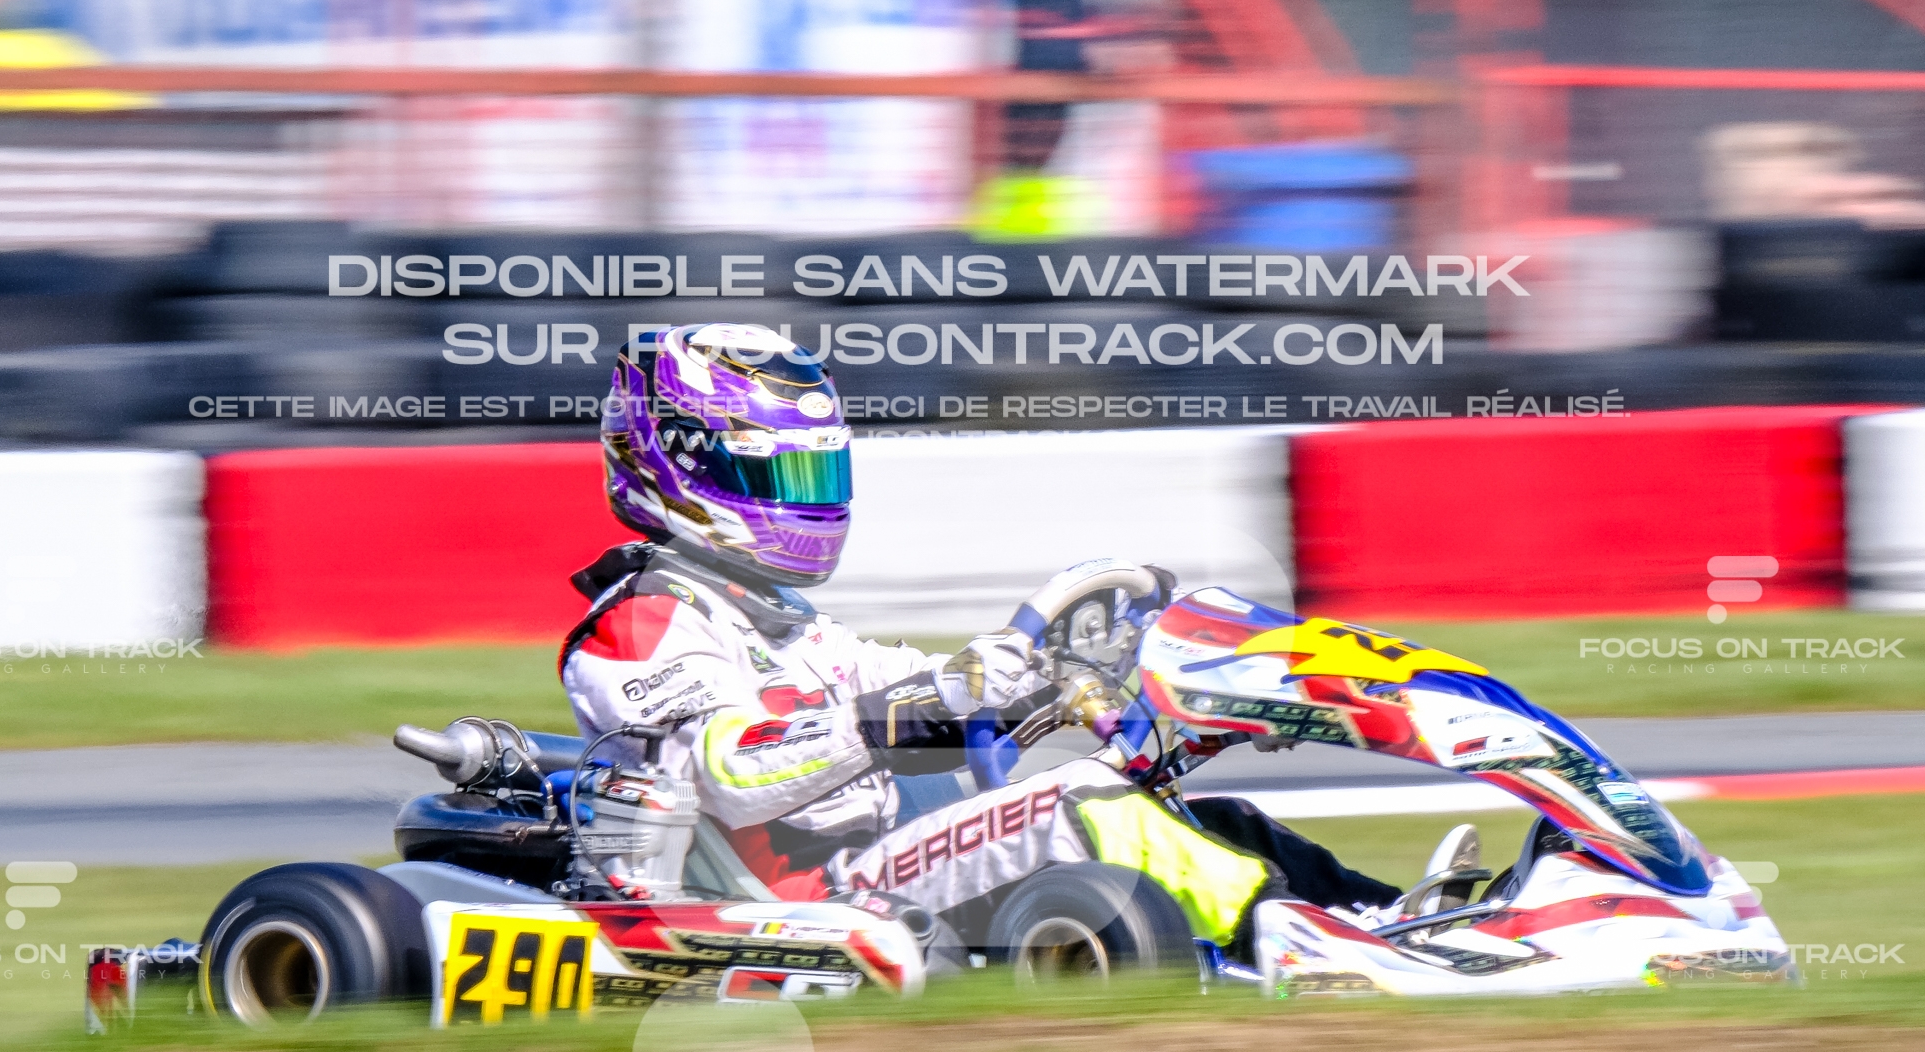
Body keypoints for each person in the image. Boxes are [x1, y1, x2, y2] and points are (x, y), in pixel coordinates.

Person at [559, 323, 1408, 955]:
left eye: (818, 472)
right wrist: (921, 703)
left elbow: (919, 691)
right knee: (1084, 802)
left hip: (889, 866)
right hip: (811, 900)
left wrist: (1045, 675)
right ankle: (1311, 948)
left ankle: (1393, 921)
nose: (808, 498)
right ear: (684, 464)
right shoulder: (641, 624)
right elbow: (730, 770)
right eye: (782, 472)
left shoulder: (783, 620)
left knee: (1200, 813)